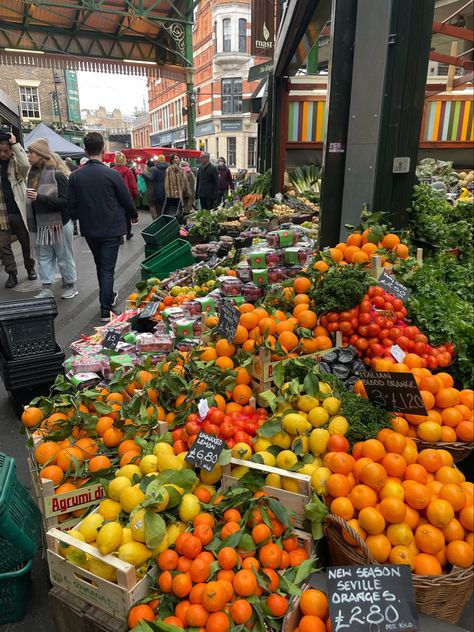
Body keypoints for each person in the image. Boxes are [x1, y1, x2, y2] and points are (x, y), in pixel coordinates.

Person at [68, 132, 138, 321]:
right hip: (111, 228)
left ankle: (107, 297)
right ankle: (105, 309)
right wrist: (133, 215)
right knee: (107, 269)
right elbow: (126, 198)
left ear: (85, 150)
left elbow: (72, 206)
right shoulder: (111, 174)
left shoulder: (75, 177)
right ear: (103, 150)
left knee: (101, 265)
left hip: (90, 229)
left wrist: (80, 216)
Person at [25, 138, 77, 299]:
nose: (28, 155)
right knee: (44, 257)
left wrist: (39, 198)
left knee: (64, 256)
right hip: (41, 225)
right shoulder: (32, 175)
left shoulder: (58, 175)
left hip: (60, 224)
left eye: (31, 152)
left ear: (40, 155)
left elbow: (66, 202)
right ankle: (46, 287)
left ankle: (71, 285)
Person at [0, 130, 36, 288]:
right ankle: (12, 273)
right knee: (3, 245)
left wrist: (15, 145)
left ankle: (30, 268)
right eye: (0, 151)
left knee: (25, 242)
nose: (3, 154)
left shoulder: (17, 163)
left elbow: (26, 165)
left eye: (6, 151)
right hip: (2, 213)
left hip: (17, 209)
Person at [112, 152, 137, 240]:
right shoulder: (129, 171)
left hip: (115, 198)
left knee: (118, 217)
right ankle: (128, 233)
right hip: (126, 197)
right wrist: (133, 197)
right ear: (124, 160)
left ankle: (120, 236)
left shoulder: (112, 171)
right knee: (127, 217)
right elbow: (134, 186)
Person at [165, 153, 189, 218]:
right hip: (174, 196)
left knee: (181, 213)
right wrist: (170, 196)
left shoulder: (182, 170)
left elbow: (185, 183)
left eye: (178, 157)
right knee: (175, 214)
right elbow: (167, 185)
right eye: (176, 158)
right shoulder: (169, 170)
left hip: (182, 195)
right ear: (172, 160)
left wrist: (186, 193)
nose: (178, 159)